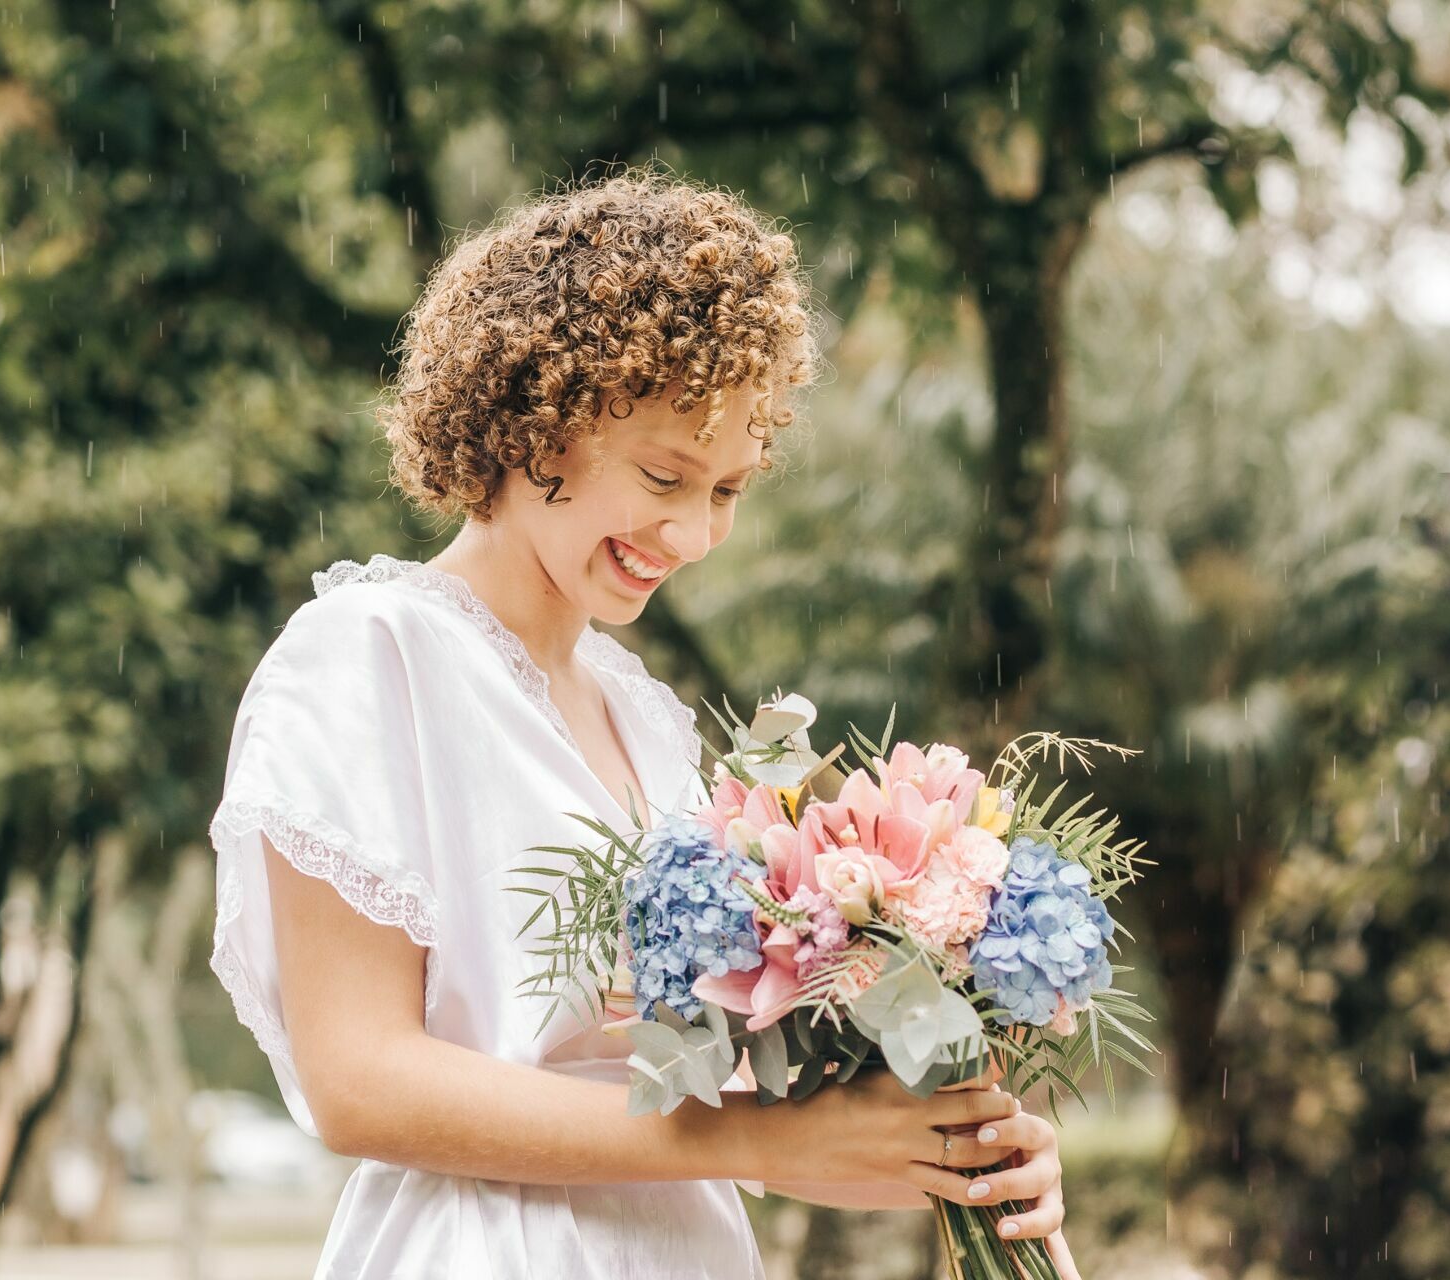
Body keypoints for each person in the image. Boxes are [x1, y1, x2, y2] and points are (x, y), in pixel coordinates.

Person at [207, 166, 1080, 1279]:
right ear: (533, 422)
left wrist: (960, 1158)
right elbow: (360, 1082)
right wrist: (754, 1139)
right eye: (666, 475)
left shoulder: (645, 718)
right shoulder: (367, 654)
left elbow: (702, 1098)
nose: (695, 534)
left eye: (728, 489)